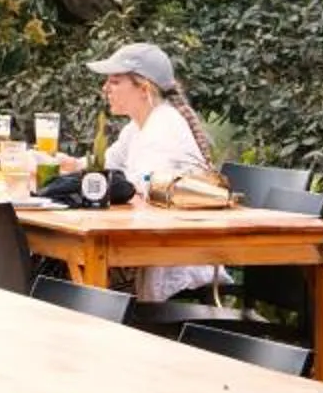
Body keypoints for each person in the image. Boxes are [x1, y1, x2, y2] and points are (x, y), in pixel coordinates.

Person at [73, 41, 218, 302]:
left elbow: (144, 192)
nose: (105, 88)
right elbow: (104, 165)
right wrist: (61, 163)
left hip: (171, 260)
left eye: (115, 81)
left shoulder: (164, 126)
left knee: (66, 270)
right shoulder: (137, 127)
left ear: (144, 87)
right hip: (143, 253)